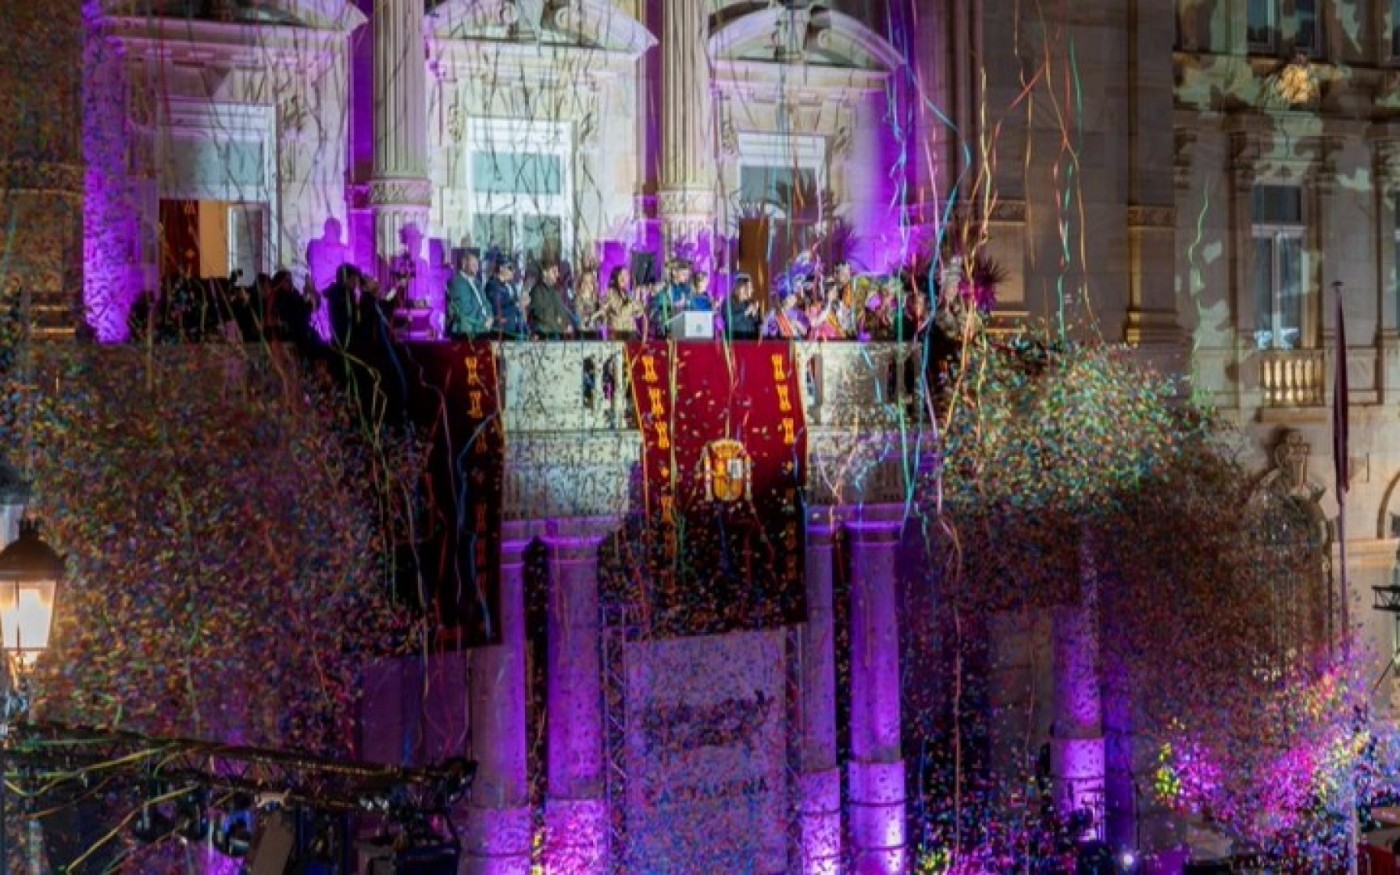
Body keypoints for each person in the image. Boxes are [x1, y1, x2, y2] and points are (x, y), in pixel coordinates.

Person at [447, 248, 492, 338]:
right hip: (468, 331)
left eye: (477, 265)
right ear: (464, 264)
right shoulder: (457, 283)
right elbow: (466, 309)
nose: (477, 268)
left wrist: (490, 317)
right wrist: (483, 321)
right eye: (474, 265)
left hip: (483, 329)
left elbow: (486, 302)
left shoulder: (477, 283)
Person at [528, 260, 575, 339]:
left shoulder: (554, 292)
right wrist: (561, 327)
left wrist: (567, 324)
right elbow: (542, 315)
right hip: (545, 336)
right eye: (554, 272)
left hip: (557, 334)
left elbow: (562, 311)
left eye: (557, 272)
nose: (557, 275)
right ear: (545, 273)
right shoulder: (537, 291)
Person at [600, 265, 644, 340]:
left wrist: (641, 299)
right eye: (620, 275)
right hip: (618, 335)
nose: (623, 278)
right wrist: (634, 301)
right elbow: (620, 314)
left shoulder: (626, 294)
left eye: (626, 275)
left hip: (630, 334)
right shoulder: (610, 293)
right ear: (615, 277)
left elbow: (638, 314)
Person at [487, 258, 526, 338]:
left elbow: (517, 310)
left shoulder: (511, 286)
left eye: (514, 268)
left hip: (515, 329)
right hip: (501, 331)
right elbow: (496, 311)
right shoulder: (493, 285)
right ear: (501, 268)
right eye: (510, 268)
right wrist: (518, 305)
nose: (513, 271)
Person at [724, 274, 761, 340]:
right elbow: (728, 321)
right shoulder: (728, 302)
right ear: (741, 288)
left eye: (751, 288)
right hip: (735, 342)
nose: (752, 290)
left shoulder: (751, 302)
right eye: (749, 288)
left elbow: (758, 325)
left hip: (750, 343)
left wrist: (755, 314)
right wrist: (745, 312)